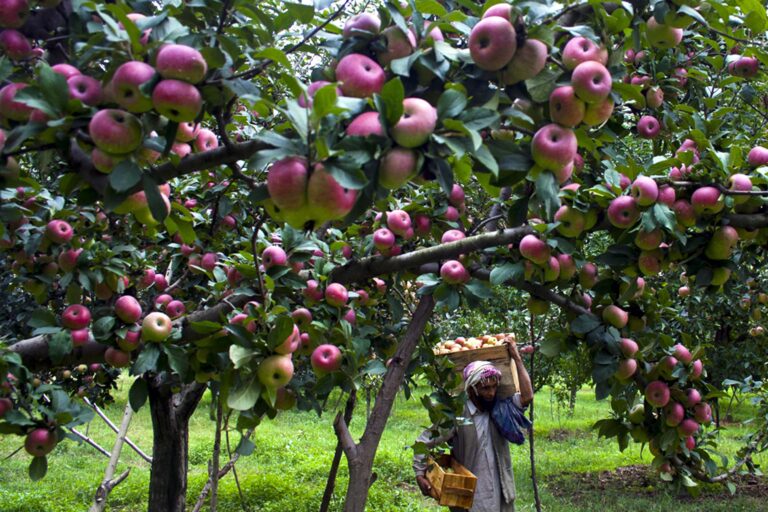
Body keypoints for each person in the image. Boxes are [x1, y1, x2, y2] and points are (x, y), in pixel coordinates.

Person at [413, 342, 534, 512]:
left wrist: (517, 358)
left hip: (499, 491)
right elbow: (423, 442)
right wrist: (420, 474)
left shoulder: (499, 409)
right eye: (485, 388)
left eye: (494, 387)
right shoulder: (457, 415)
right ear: (471, 390)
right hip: (470, 496)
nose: (491, 393)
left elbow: (527, 396)